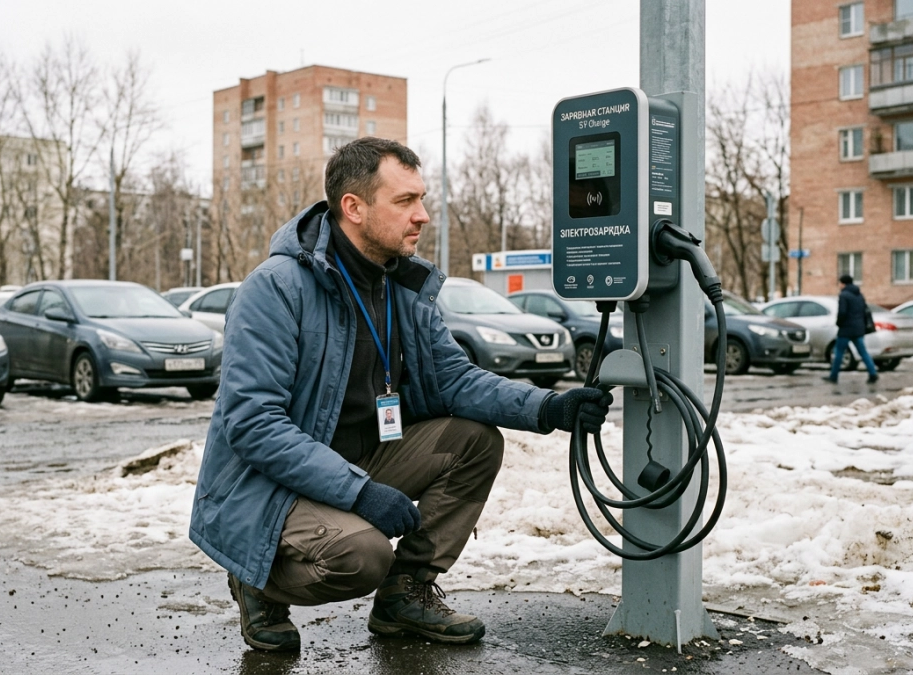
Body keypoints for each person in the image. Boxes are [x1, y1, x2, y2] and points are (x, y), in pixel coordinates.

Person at [188, 137, 609, 652]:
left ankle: (404, 597)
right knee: (361, 556)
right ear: (355, 208)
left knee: (474, 442)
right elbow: (255, 425)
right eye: (406, 201)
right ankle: (257, 579)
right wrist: (361, 494)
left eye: (422, 199)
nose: (423, 216)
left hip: (362, 455)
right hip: (270, 483)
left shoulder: (401, 288)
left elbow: (455, 379)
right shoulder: (276, 288)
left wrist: (548, 407)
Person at [824, 274, 878, 384]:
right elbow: (864, 311)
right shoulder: (859, 295)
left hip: (846, 329)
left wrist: (839, 323)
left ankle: (833, 376)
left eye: (840, 283)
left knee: (838, 352)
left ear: (843, 283)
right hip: (858, 329)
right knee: (863, 352)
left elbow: (842, 312)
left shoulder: (844, 295)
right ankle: (873, 373)